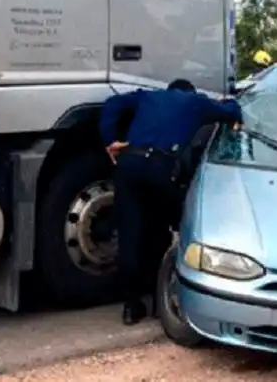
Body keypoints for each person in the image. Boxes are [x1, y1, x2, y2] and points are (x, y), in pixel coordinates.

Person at [98, 79, 243, 325]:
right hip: (160, 169)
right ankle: (159, 302)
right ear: (191, 90)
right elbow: (232, 110)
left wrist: (110, 139)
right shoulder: (195, 102)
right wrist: (227, 105)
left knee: (129, 234)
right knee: (163, 231)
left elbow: (112, 103)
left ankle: (131, 307)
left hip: (128, 165)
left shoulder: (148, 96)